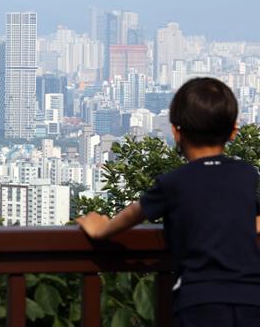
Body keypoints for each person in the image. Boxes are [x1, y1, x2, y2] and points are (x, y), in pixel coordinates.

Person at [77, 77, 260, 326]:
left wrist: (101, 229)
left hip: (199, 303)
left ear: (176, 131)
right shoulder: (246, 174)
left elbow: (135, 213)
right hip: (250, 299)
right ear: (233, 132)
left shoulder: (174, 182)